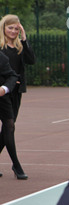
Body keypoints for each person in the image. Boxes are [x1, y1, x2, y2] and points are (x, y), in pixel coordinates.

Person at [0, 15, 35, 180]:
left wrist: (25, 38)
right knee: (10, 126)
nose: (13, 31)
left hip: (17, 91)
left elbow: (31, 60)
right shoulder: (0, 47)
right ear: (3, 28)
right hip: (3, 92)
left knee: (7, 129)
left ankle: (15, 164)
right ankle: (16, 165)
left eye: (16, 28)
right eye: (10, 28)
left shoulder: (20, 47)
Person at [0, 51, 20, 179]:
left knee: (9, 126)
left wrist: (4, 88)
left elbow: (13, 75)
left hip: (2, 99)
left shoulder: (2, 57)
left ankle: (16, 165)